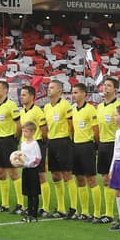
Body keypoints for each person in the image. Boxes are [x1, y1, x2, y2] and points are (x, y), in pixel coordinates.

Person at [94, 78, 120, 225]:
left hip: (115, 145)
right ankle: (108, 213)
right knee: (105, 179)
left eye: (109, 86)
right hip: (103, 145)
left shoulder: (119, 107)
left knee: (116, 179)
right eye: (104, 85)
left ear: (115, 89)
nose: (105, 88)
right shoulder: (99, 107)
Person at [44, 80, 75, 218]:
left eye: (52, 87)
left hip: (63, 142)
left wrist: (71, 141)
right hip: (52, 142)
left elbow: (71, 125)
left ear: (59, 90)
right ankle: (61, 208)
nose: (49, 89)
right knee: (55, 176)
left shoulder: (65, 105)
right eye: (48, 87)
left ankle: (74, 208)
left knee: (67, 174)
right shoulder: (46, 107)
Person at [0, 81, 22, 213]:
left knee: (13, 172)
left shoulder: (11, 105)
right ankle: (4, 204)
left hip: (9, 140)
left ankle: (20, 204)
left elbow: (19, 124)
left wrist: (15, 140)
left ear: (5, 90)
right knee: (1, 172)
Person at [70, 83, 100, 222]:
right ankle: (85, 211)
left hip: (87, 146)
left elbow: (96, 129)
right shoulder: (73, 109)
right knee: (79, 179)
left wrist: (96, 145)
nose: (74, 95)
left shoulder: (90, 109)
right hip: (76, 146)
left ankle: (97, 213)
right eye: (73, 92)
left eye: (76, 92)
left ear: (84, 94)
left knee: (91, 179)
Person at [18, 85, 49, 213]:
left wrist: (42, 144)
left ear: (31, 96)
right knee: (29, 178)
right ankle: (31, 206)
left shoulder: (37, 111)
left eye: (24, 95)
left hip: (37, 145)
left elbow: (44, 129)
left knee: (41, 175)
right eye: (21, 95)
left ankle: (45, 207)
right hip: (26, 146)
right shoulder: (22, 111)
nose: (21, 97)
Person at [18, 121, 44, 222]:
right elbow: (22, 156)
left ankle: (34, 215)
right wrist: (19, 162)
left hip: (33, 170)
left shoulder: (34, 144)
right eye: (23, 131)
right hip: (25, 170)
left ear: (33, 132)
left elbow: (38, 158)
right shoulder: (23, 144)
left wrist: (29, 163)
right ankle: (29, 214)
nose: (24, 133)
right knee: (28, 193)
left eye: (27, 131)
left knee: (34, 193)